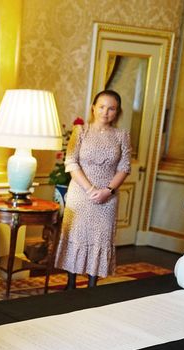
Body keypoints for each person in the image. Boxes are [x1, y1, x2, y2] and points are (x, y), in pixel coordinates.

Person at [55, 89, 131, 289]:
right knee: (76, 235)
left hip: (108, 197)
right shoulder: (81, 131)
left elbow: (124, 167)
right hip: (80, 194)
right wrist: (89, 189)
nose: (106, 112)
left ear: (117, 112)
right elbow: (71, 162)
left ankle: (92, 286)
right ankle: (70, 285)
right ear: (93, 108)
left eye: (111, 108)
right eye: (102, 107)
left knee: (100, 238)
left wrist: (108, 190)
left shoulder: (122, 135)